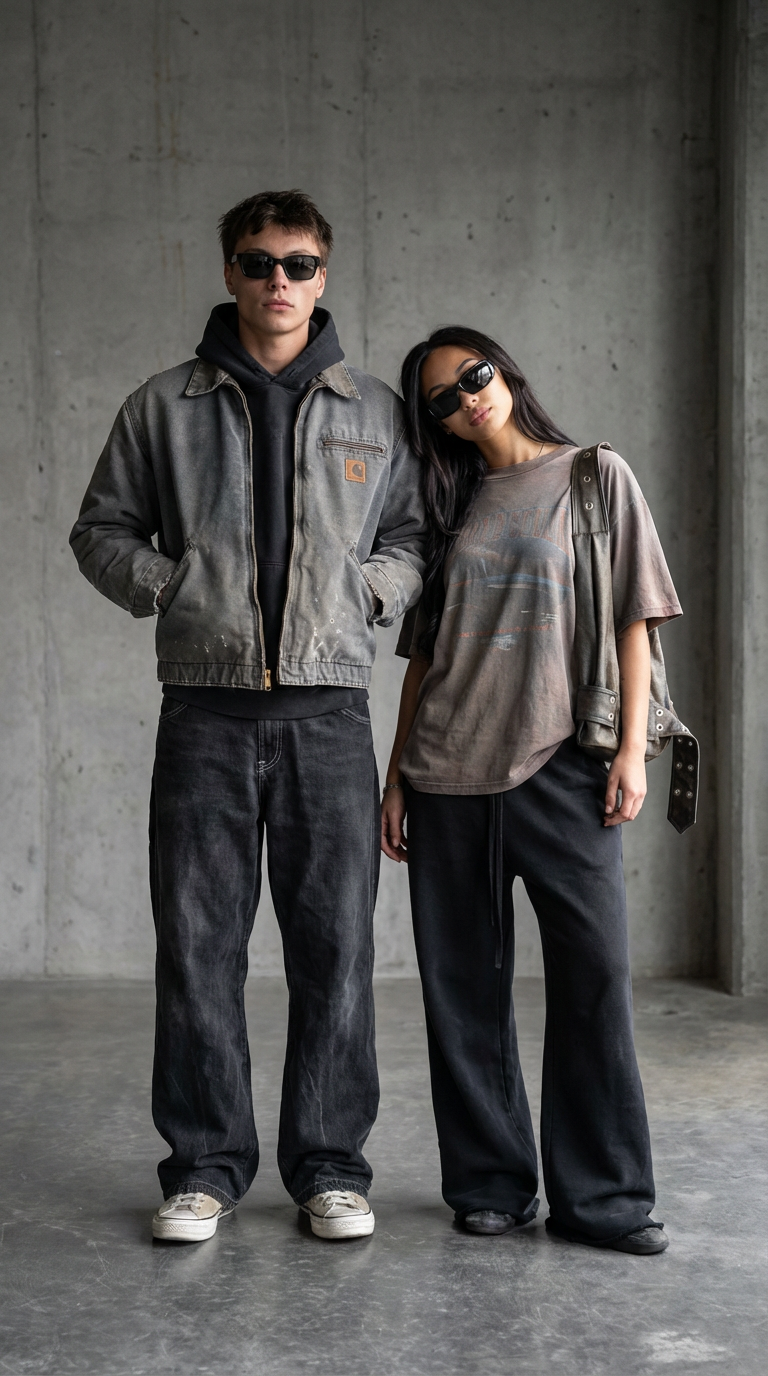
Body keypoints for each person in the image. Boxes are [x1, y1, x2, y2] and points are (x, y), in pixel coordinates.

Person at [71, 190, 424, 1244]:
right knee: (197, 950)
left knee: (337, 954)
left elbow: (412, 537)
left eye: (299, 264)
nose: (279, 281)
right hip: (205, 718)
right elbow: (100, 530)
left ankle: (331, 1168)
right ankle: (204, 1169)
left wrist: (366, 592)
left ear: (324, 276)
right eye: (260, 261)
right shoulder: (162, 405)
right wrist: (172, 585)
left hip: (330, 720)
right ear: (229, 271)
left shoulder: (374, 410)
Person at [381, 326, 682, 1255]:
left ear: (504, 371)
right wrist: (396, 777)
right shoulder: (448, 506)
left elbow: (636, 618)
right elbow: (424, 656)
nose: (466, 398)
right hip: (447, 776)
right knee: (462, 992)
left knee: (593, 984)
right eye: (441, 399)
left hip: (564, 768)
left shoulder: (595, 476)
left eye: (473, 376)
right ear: (436, 423)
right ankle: (490, 1185)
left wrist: (631, 752)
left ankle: (605, 1201)